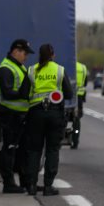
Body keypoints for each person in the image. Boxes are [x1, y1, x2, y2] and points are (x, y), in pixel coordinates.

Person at [24, 44, 75, 196]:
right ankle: (48, 186)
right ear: (52, 54)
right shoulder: (59, 70)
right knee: (52, 150)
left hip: (36, 114)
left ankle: (32, 185)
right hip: (54, 115)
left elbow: (24, 92)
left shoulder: (32, 70)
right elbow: (69, 93)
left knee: (34, 150)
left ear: (39, 55)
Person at [0, 39, 34, 193]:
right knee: (9, 149)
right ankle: (8, 183)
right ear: (16, 51)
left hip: (20, 115)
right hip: (10, 116)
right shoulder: (5, 68)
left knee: (22, 150)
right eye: (24, 53)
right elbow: (8, 93)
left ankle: (25, 182)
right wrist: (23, 92)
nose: (26, 57)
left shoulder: (19, 67)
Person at [72, 61, 89, 148]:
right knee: (76, 120)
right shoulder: (83, 67)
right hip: (79, 97)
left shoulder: (65, 66)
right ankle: (75, 140)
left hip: (67, 96)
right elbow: (85, 83)